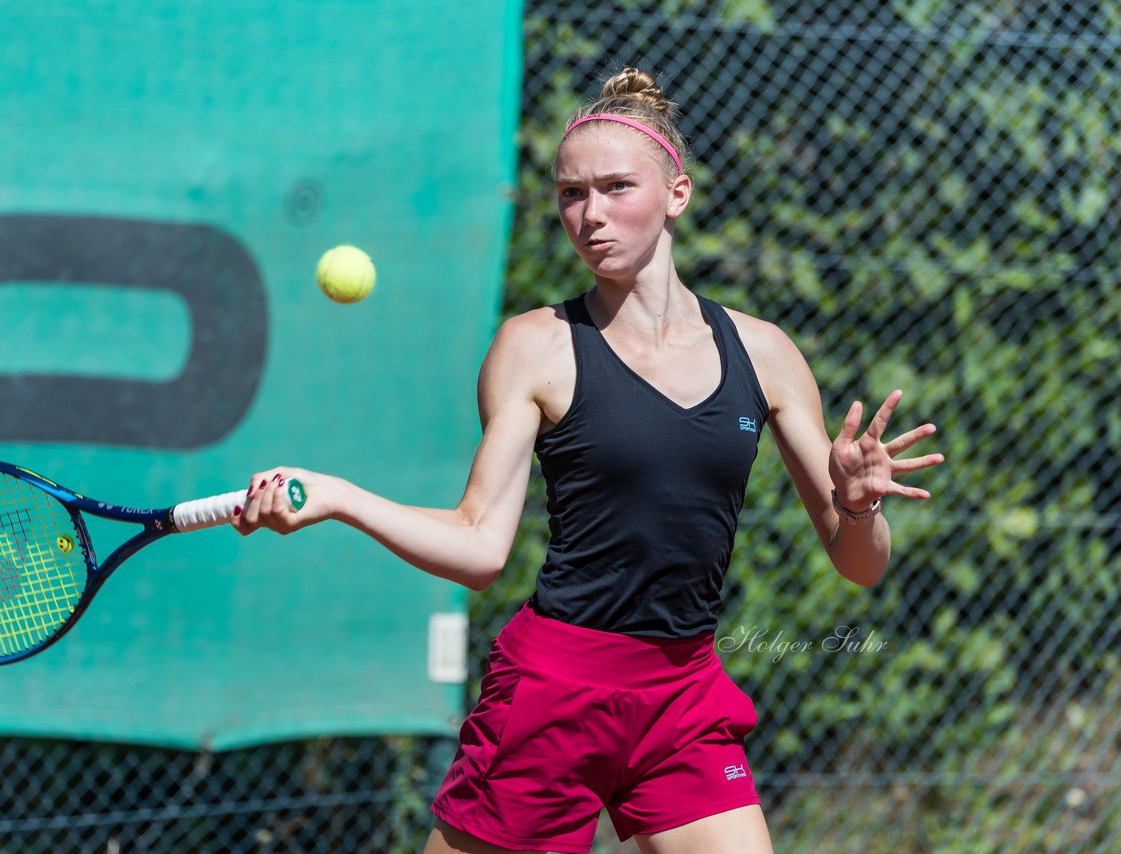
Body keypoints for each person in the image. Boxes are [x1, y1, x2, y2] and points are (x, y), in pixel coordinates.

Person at [234, 67, 944, 854]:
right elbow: (478, 546)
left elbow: (860, 565)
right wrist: (341, 498)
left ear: (677, 193)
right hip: (553, 694)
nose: (591, 214)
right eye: (572, 194)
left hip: (684, 694)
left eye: (616, 188)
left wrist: (857, 506)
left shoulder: (765, 354)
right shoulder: (534, 347)